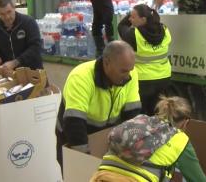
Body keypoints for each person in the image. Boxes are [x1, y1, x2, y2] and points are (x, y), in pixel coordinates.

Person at [56, 41, 142, 169]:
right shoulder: (81, 76)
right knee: (76, 173)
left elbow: (133, 114)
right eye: (123, 71)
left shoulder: (130, 74)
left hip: (104, 135)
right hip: (73, 135)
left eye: (130, 70)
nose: (128, 76)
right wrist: (84, 160)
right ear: (107, 62)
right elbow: (74, 123)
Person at [90, 96, 206, 182]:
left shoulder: (139, 120)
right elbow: (198, 179)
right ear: (185, 122)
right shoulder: (180, 140)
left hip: (101, 176)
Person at [118, 4, 172, 116]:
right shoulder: (165, 30)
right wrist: (144, 12)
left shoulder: (134, 35)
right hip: (163, 78)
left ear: (143, 19)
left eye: (133, 17)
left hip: (143, 81)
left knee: (141, 115)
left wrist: (135, 10)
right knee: (159, 113)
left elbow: (121, 25)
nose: (129, 19)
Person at [0, 0, 42, 72]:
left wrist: (15, 62)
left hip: (32, 71)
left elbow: (35, 47)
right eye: (2, 14)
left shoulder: (28, 22)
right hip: (10, 73)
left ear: (14, 8)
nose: (7, 17)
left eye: (9, 12)